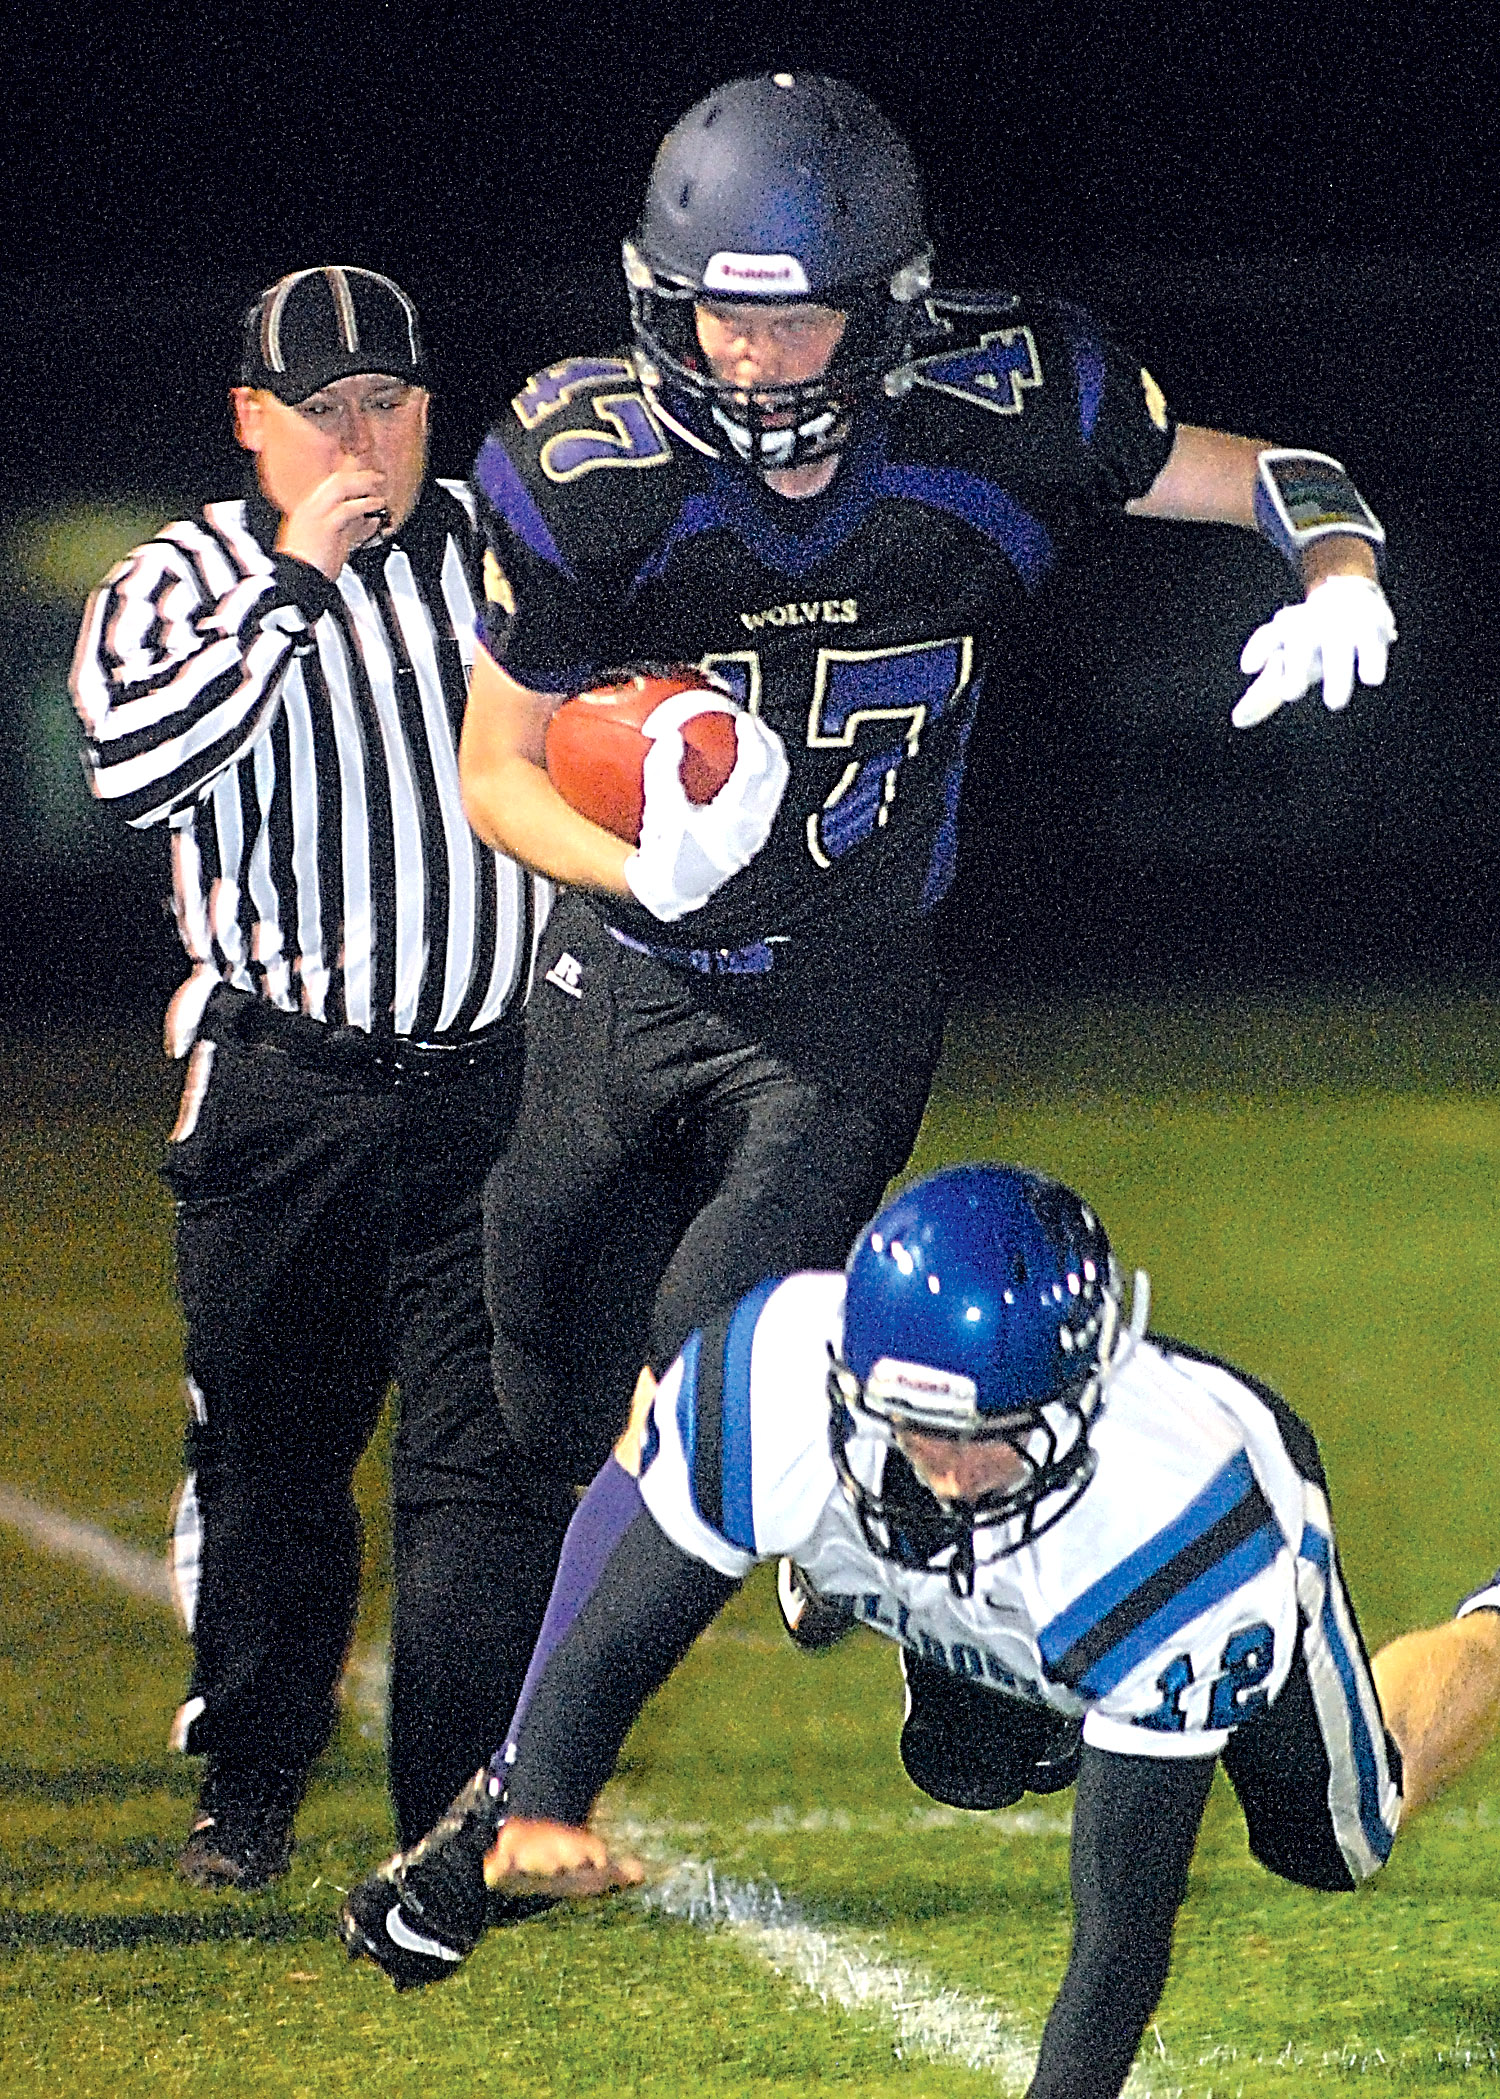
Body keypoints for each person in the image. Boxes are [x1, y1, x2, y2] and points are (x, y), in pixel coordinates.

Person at [455, 71, 1399, 1518]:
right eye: (725, 316)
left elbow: (1287, 472)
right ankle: (844, 1482)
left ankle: (854, 1530)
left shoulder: (1006, 408)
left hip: (847, 981)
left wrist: (1342, 572)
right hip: (625, 966)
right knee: (538, 1365)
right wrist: (640, 869)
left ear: (887, 312)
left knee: (699, 1354)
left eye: (796, 320)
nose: (757, 363)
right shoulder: (589, 467)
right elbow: (495, 769)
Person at [339, 1162, 1500, 2099]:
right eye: (916, 1428)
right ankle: (873, 1574)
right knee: (964, 1766)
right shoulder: (775, 1372)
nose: (949, 1469)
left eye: (985, 1434)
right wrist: (530, 1812)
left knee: (1337, 1842)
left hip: (1143, 1569)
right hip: (1022, 1572)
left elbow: (1120, 1940)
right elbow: (614, 1640)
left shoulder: (1182, 1525)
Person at [69, 265, 577, 1887]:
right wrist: (298, 580)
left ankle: (460, 1810)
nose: (364, 434)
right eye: (325, 407)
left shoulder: (510, 564)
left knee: (483, 1464)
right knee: (274, 1458)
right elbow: (143, 771)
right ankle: (254, 1778)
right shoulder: (176, 580)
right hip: (286, 1090)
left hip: (492, 1084)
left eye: (391, 400)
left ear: (432, 407)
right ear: (253, 423)